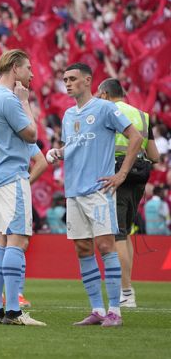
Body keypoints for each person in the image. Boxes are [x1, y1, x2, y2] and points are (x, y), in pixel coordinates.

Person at [46, 63, 143, 327]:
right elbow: (74, 147)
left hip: (99, 190)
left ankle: (115, 311)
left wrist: (121, 174)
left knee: (105, 246)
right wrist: (59, 153)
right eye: (65, 79)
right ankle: (97, 310)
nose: (67, 83)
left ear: (88, 80)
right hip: (73, 191)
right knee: (83, 249)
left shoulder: (105, 108)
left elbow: (135, 138)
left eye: (73, 79)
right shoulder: (67, 115)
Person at [0, 49, 45, 326]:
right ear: (15, 68)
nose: (31, 73)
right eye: (28, 67)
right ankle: (13, 311)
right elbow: (32, 134)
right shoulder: (8, 98)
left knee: (1, 240)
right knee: (17, 239)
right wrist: (24, 102)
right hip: (10, 175)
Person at [96, 78, 160, 308]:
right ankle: (127, 289)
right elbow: (155, 155)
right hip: (139, 179)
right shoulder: (142, 115)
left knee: (117, 235)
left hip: (115, 176)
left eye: (97, 93)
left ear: (104, 94)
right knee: (125, 234)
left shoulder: (105, 112)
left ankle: (125, 292)